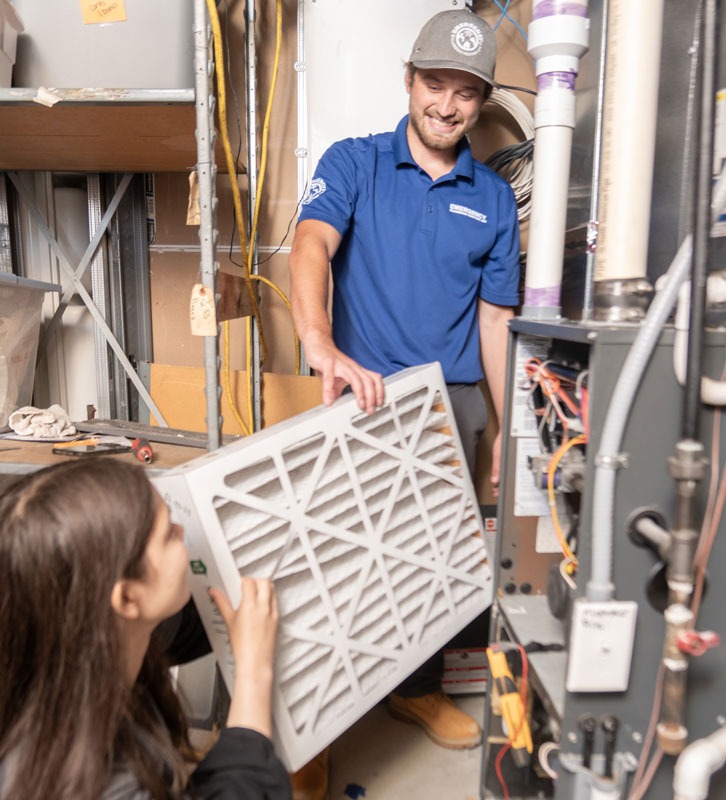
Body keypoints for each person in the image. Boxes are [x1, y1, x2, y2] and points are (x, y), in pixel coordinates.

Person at [288, 8, 520, 797]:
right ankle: (308, 726)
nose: (446, 106)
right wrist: (319, 343)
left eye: (465, 93)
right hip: (363, 391)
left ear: (481, 102)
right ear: (409, 81)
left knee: (434, 565)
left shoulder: (493, 200)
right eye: (433, 84)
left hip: (453, 404)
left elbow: (496, 320)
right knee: (335, 565)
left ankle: (413, 688)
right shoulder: (354, 162)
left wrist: (507, 431)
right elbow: (311, 244)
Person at [0, 457, 291, 800]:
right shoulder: (98, 786)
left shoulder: (69, 635)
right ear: (126, 598)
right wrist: (253, 673)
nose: (183, 534)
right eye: (169, 533)